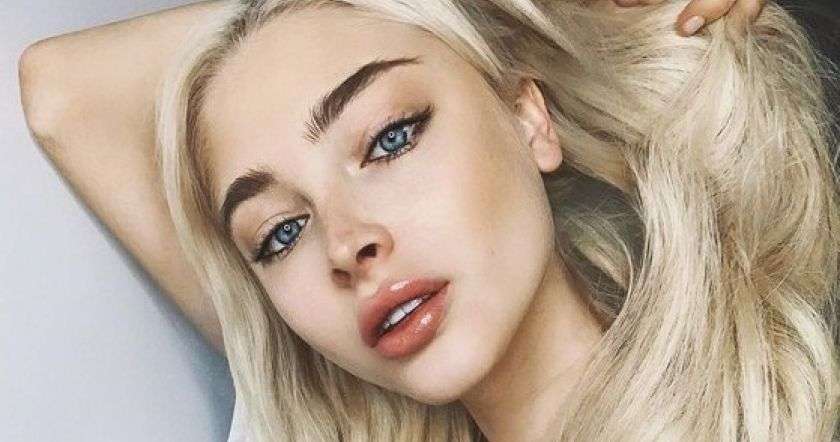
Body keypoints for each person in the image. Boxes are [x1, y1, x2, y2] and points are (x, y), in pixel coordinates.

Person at [19, 0, 839, 441]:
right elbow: (61, 90)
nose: (347, 243)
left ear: (528, 117)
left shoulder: (790, 390)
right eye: (280, 233)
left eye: (390, 139)